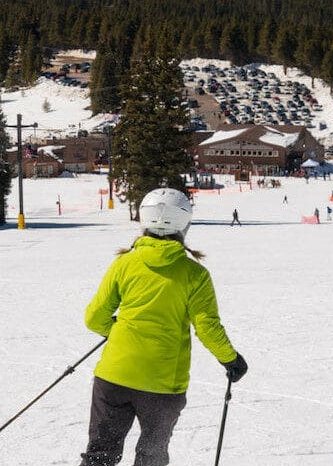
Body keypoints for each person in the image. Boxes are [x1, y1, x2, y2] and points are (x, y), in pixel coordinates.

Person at [80, 188, 246, 466]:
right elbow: (206, 326)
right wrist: (230, 359)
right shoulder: (195, 274)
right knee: (151, 457)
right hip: (162, 385)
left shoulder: (124, 263)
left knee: (100, 455)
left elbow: (95, 317)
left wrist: (119, 332)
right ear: (184, 223)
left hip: (113, 377)